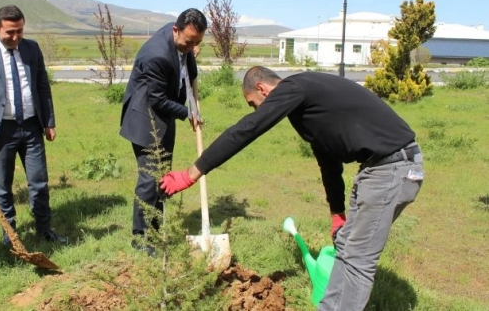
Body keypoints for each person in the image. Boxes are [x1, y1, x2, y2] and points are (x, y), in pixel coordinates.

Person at [160, 66, 424, 311]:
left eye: (254, 104)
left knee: (358, 259)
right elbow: (327, 157)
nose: (257, 110)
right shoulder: (306, 107)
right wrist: (336, 212)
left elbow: (248, 129)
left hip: (392, 167)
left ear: (262, 88)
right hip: (376, 169)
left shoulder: (295, 88)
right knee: (346, 246)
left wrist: (192, 173)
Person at [0, 5, 65, 245]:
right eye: (9, 32)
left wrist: (49, 121)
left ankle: (44, 229)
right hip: (1, 130)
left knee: (40, 182)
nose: (15, 37)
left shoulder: (32, 48)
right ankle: (10, 235)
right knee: (2, 186)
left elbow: (42, 85)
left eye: (19, 31)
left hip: (32, 127)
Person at [119, 8, 207, 256]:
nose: (192, 47)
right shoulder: (156, 55)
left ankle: (155, 227)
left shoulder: (182, 40)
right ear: (175, 30)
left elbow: (187, 65)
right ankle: (141, 237)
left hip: (164, 119)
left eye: (198, 42)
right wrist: (187, 112)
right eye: (189, 42)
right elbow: (157, 99)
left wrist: (191, 56)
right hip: (146, 119)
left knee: (162, 176)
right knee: (149, 179)